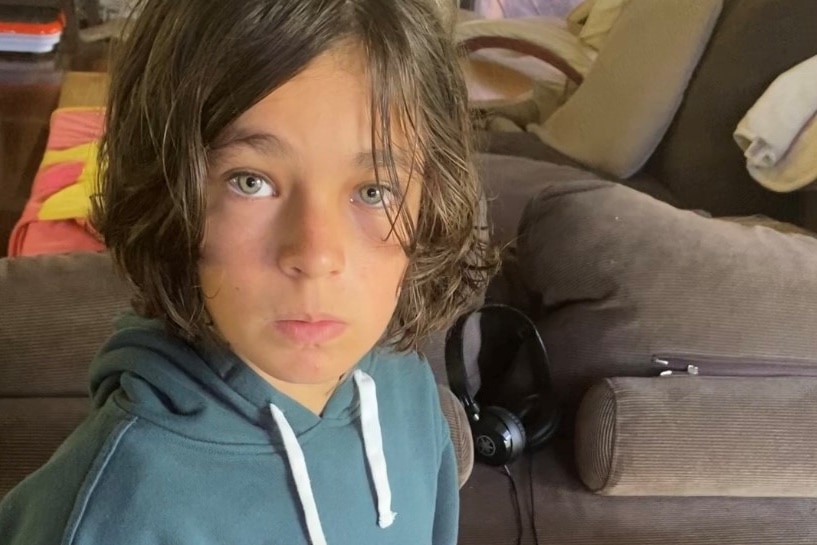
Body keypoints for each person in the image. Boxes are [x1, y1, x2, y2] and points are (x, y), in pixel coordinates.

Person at [0, 0, 496, 544]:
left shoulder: (407, 390)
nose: (315, 254)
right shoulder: (116, 509)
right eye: (251, 182)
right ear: (167, 193)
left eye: (373, 190)